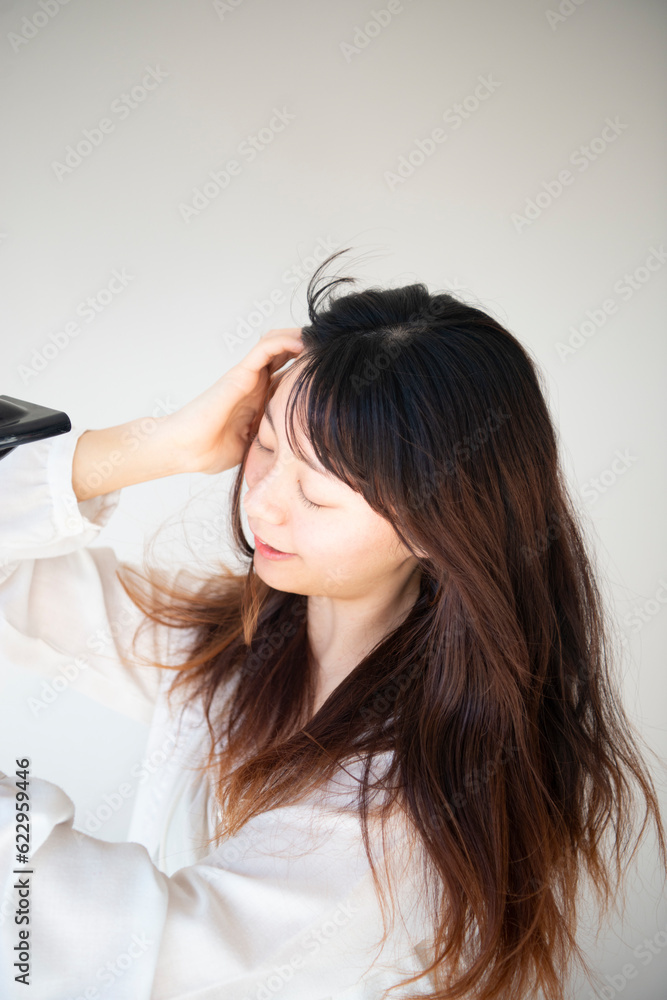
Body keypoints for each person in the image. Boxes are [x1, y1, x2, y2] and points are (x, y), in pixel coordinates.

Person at [0, 249, 665, 1000]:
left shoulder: (403, 813)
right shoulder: (231, 647)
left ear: (437, 526)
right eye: (264, 445)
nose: (261, 503)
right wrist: (159, 444)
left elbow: (118, 954)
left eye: (317, 494)